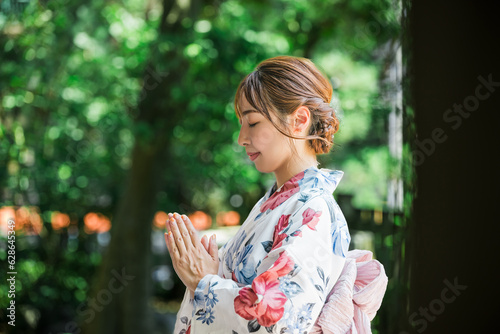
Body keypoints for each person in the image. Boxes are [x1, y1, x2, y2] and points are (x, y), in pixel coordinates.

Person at [165, 55, 352, 333]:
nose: (242, 138)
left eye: (252, 123)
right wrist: (216, 273)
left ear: (299, 120)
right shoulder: (277, 203)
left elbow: (278, 322)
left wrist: (204, 281)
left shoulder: (315, 211)